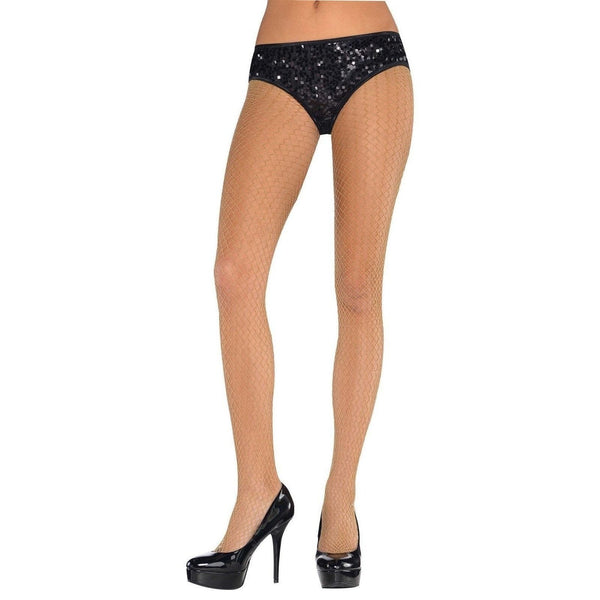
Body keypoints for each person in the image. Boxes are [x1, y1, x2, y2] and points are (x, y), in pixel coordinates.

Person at [186, 0, 414, 589]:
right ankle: (259, 490)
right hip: (279, 61)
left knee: (358, 288)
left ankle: (341, 500)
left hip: (372, 56)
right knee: (234, 274)